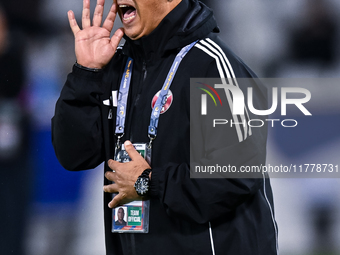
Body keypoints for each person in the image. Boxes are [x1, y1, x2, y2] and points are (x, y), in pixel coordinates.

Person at [52, 0, 278, 254]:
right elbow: (74, 155)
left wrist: (149, 182)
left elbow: (236, 173)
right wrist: (86, 74)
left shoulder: (213, 66)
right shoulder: (119, 67)